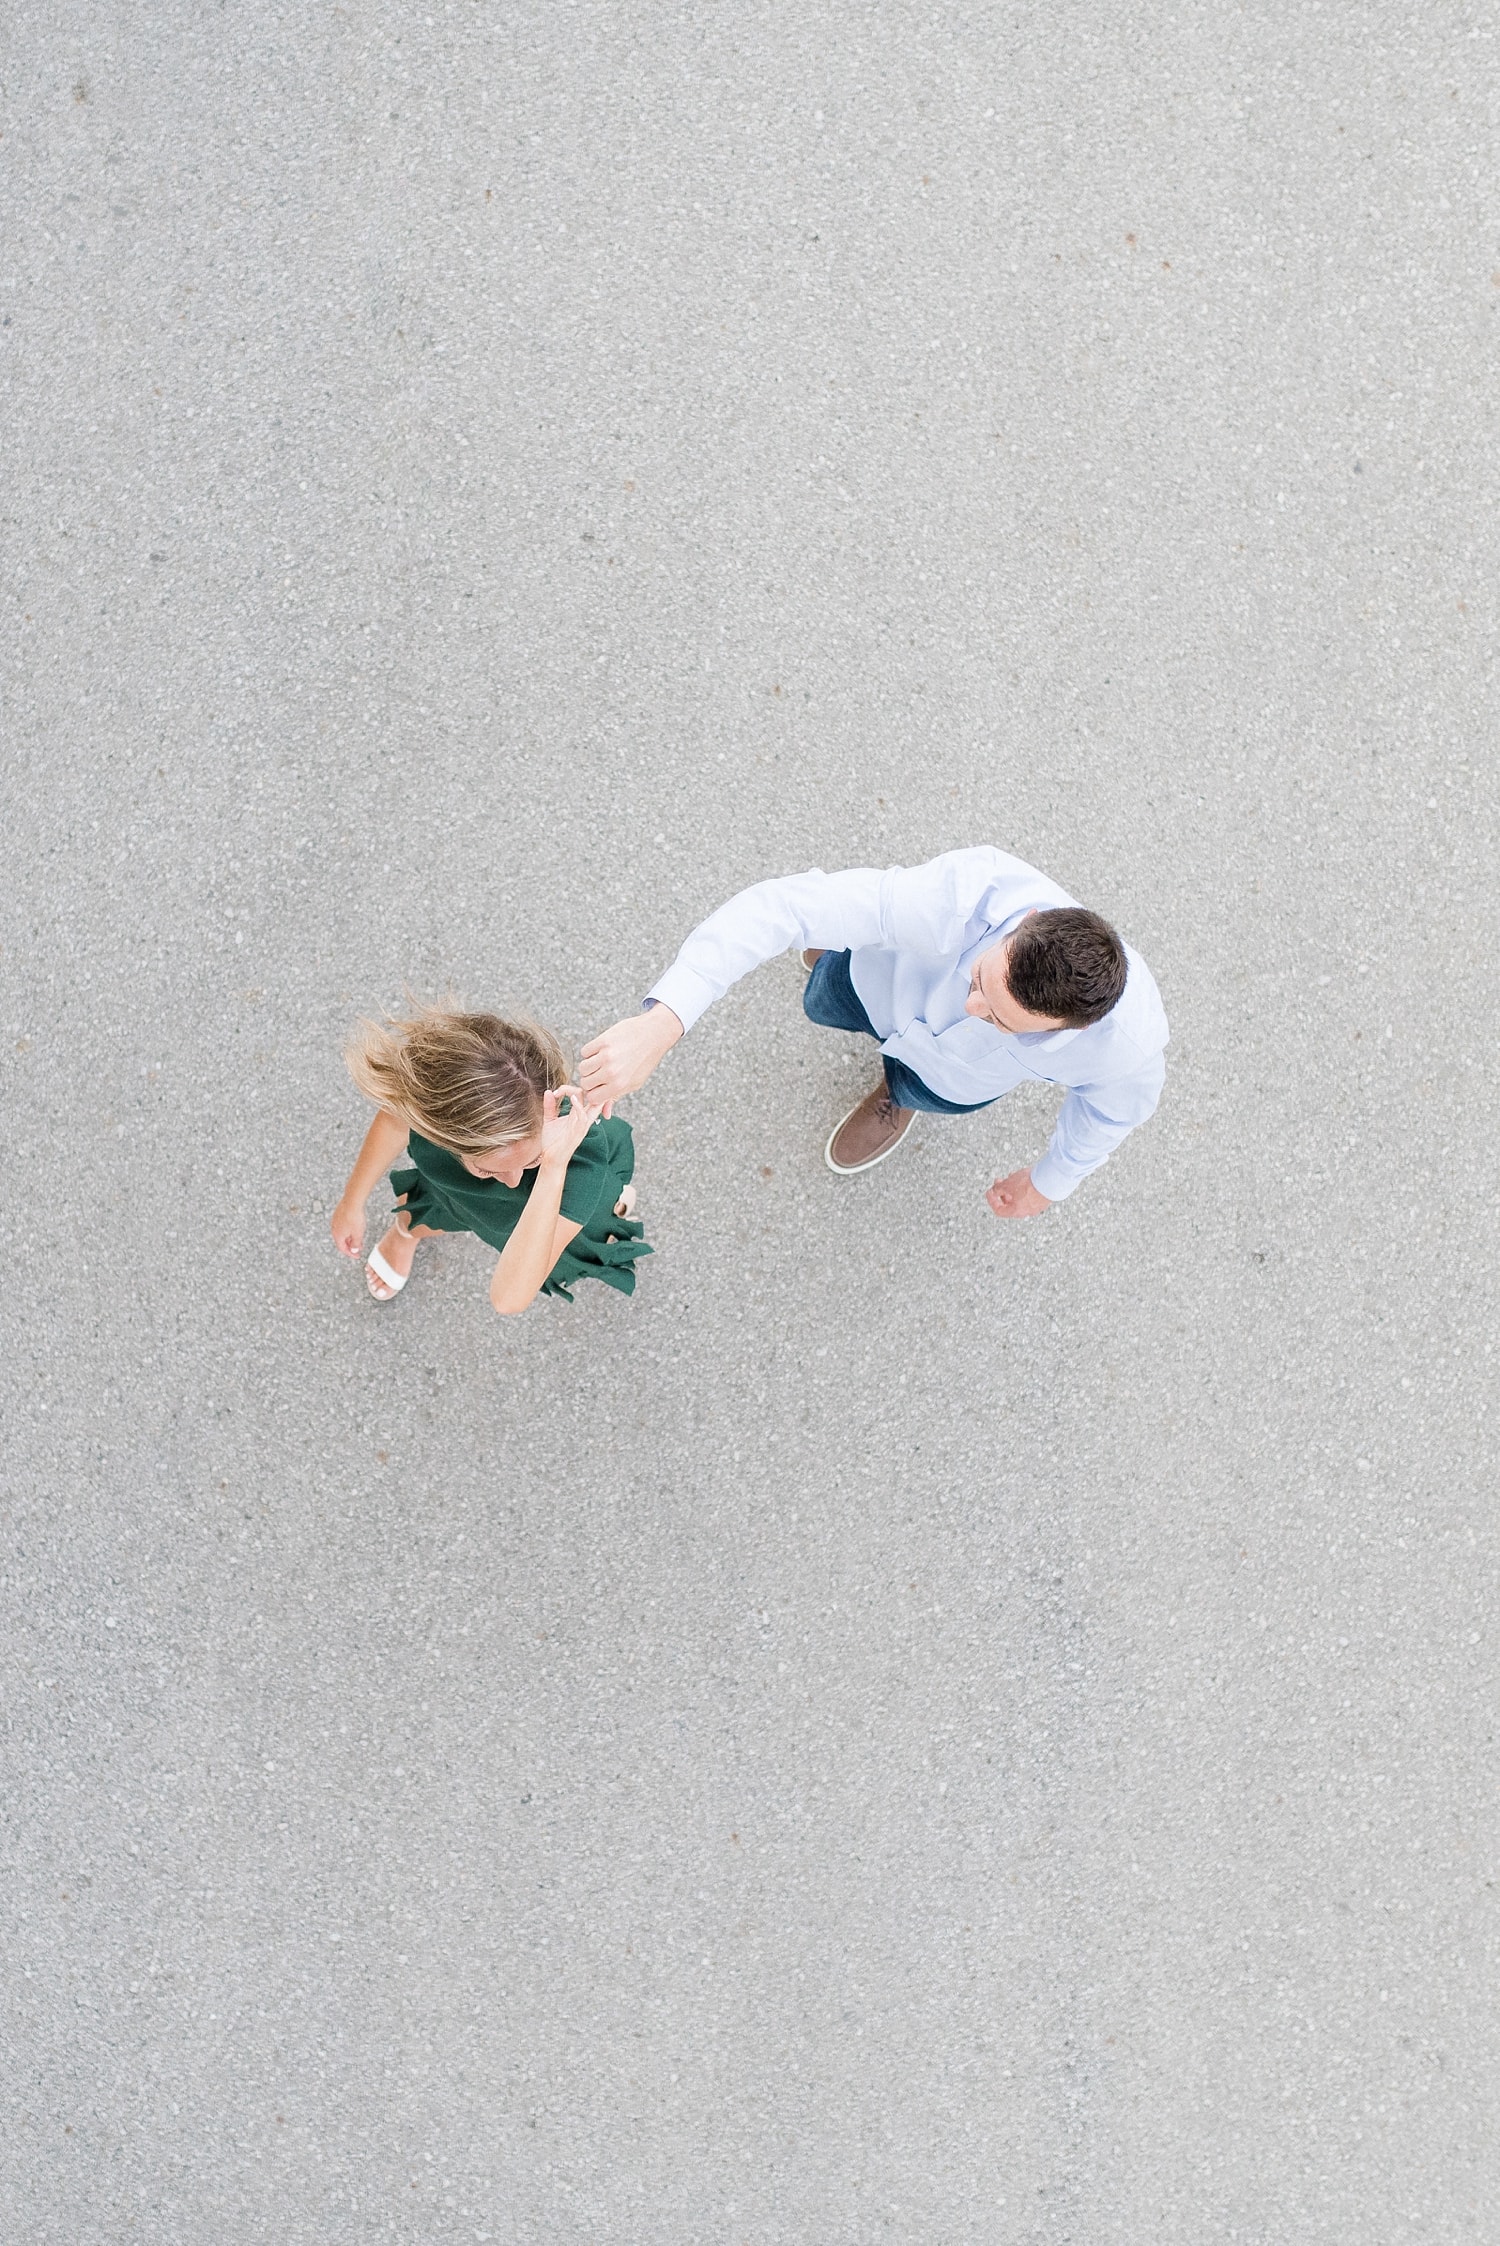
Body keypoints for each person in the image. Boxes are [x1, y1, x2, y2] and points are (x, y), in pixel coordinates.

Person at [580, 847, 1167, 1218]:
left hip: (953, 1080)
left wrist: (1048, 1183)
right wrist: (664, 1020)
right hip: (875, 985)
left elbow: (1109, 1116)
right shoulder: (968, 891)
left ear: (1075, 1028)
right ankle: (839, 941)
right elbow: (784, 905)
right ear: (1030, 922)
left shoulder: (1127, 1050)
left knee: (915, 1089)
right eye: (982, 976)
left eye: (998, 1019)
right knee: (824, 991)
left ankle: (896, 1098)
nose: (968, 1005)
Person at [330, 1004, 651, 1311]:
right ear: (445, 1134)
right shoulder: (435, 1118)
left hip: (562, 1195)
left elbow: (509, 1298)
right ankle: (405, 1232)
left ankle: (611, 1200)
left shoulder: (579, 1157)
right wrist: (351, 1201)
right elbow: (395, 1118)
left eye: (529, 1160)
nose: (512, 1182)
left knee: (569, 1227)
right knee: (453, 1203)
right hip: (467, 1190)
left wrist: (552, 1165)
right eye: (486, 1170)